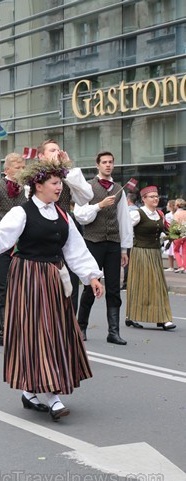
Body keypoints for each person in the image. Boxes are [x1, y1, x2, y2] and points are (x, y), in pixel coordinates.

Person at [0, 159, 103, 421]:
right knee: (37, 335)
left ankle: (30, 392)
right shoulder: (21, 213)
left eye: (59, 183)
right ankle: (52, 397)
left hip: (54, 279)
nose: (59, 188)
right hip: (29, 278)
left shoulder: (62, 214)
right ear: (39, 185)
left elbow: (75, 249)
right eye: (55, 183)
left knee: (54, 334)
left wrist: (92, 276)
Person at [75, 151, 134, 345]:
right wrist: (99, 205)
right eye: (104, 162)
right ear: (97, 165)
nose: (108, 165)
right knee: (90, 287)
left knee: (114, 289)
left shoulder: (119, 188)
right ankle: (81, 327)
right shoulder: (88, 187)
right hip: (93, 241)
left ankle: (113, 332)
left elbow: (124, 220)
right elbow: (80, 215)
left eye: (110, 162)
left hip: (114, 243)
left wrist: (125, 248)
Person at [36, 140, 94, 315]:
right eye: (52, 150)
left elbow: (86, 196)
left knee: (70, 279)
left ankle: (69, 324)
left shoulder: (66, 176)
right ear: (41, 156)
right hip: (40, 232)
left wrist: (68, 168)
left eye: (58, 150)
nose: (57, 153)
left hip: (64, 230)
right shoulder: (32, 177)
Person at [0, 153, 28, 345]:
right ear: (7, 169)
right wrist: (4, 226)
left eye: (23, 166)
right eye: (17, 167)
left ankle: (20, 329)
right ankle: (2, 330)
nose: (21, 170)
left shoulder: (27, 189)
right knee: (4, 288)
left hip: (22, 246)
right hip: (2, 245)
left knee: (22, 289)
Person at [124, 186, 176, 331]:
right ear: (144, 199)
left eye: (156, 196)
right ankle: (132, 316)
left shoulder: (159, 214)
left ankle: (162, 318)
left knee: (158, 285)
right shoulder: (137, 214)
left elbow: (163, 232)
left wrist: (172, 236)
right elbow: (125, 229)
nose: (155, 198)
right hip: (140, 252)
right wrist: (124, 248)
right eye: (152, 196)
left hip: (155, 253)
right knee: (140, 285)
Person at [172, 199, 186, 273]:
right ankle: (185, 267)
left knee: (176, 250)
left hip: (178, 234)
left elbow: (175, 225)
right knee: (184, 251)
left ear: (177, 206)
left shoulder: (176, 214)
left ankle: (180, 266)